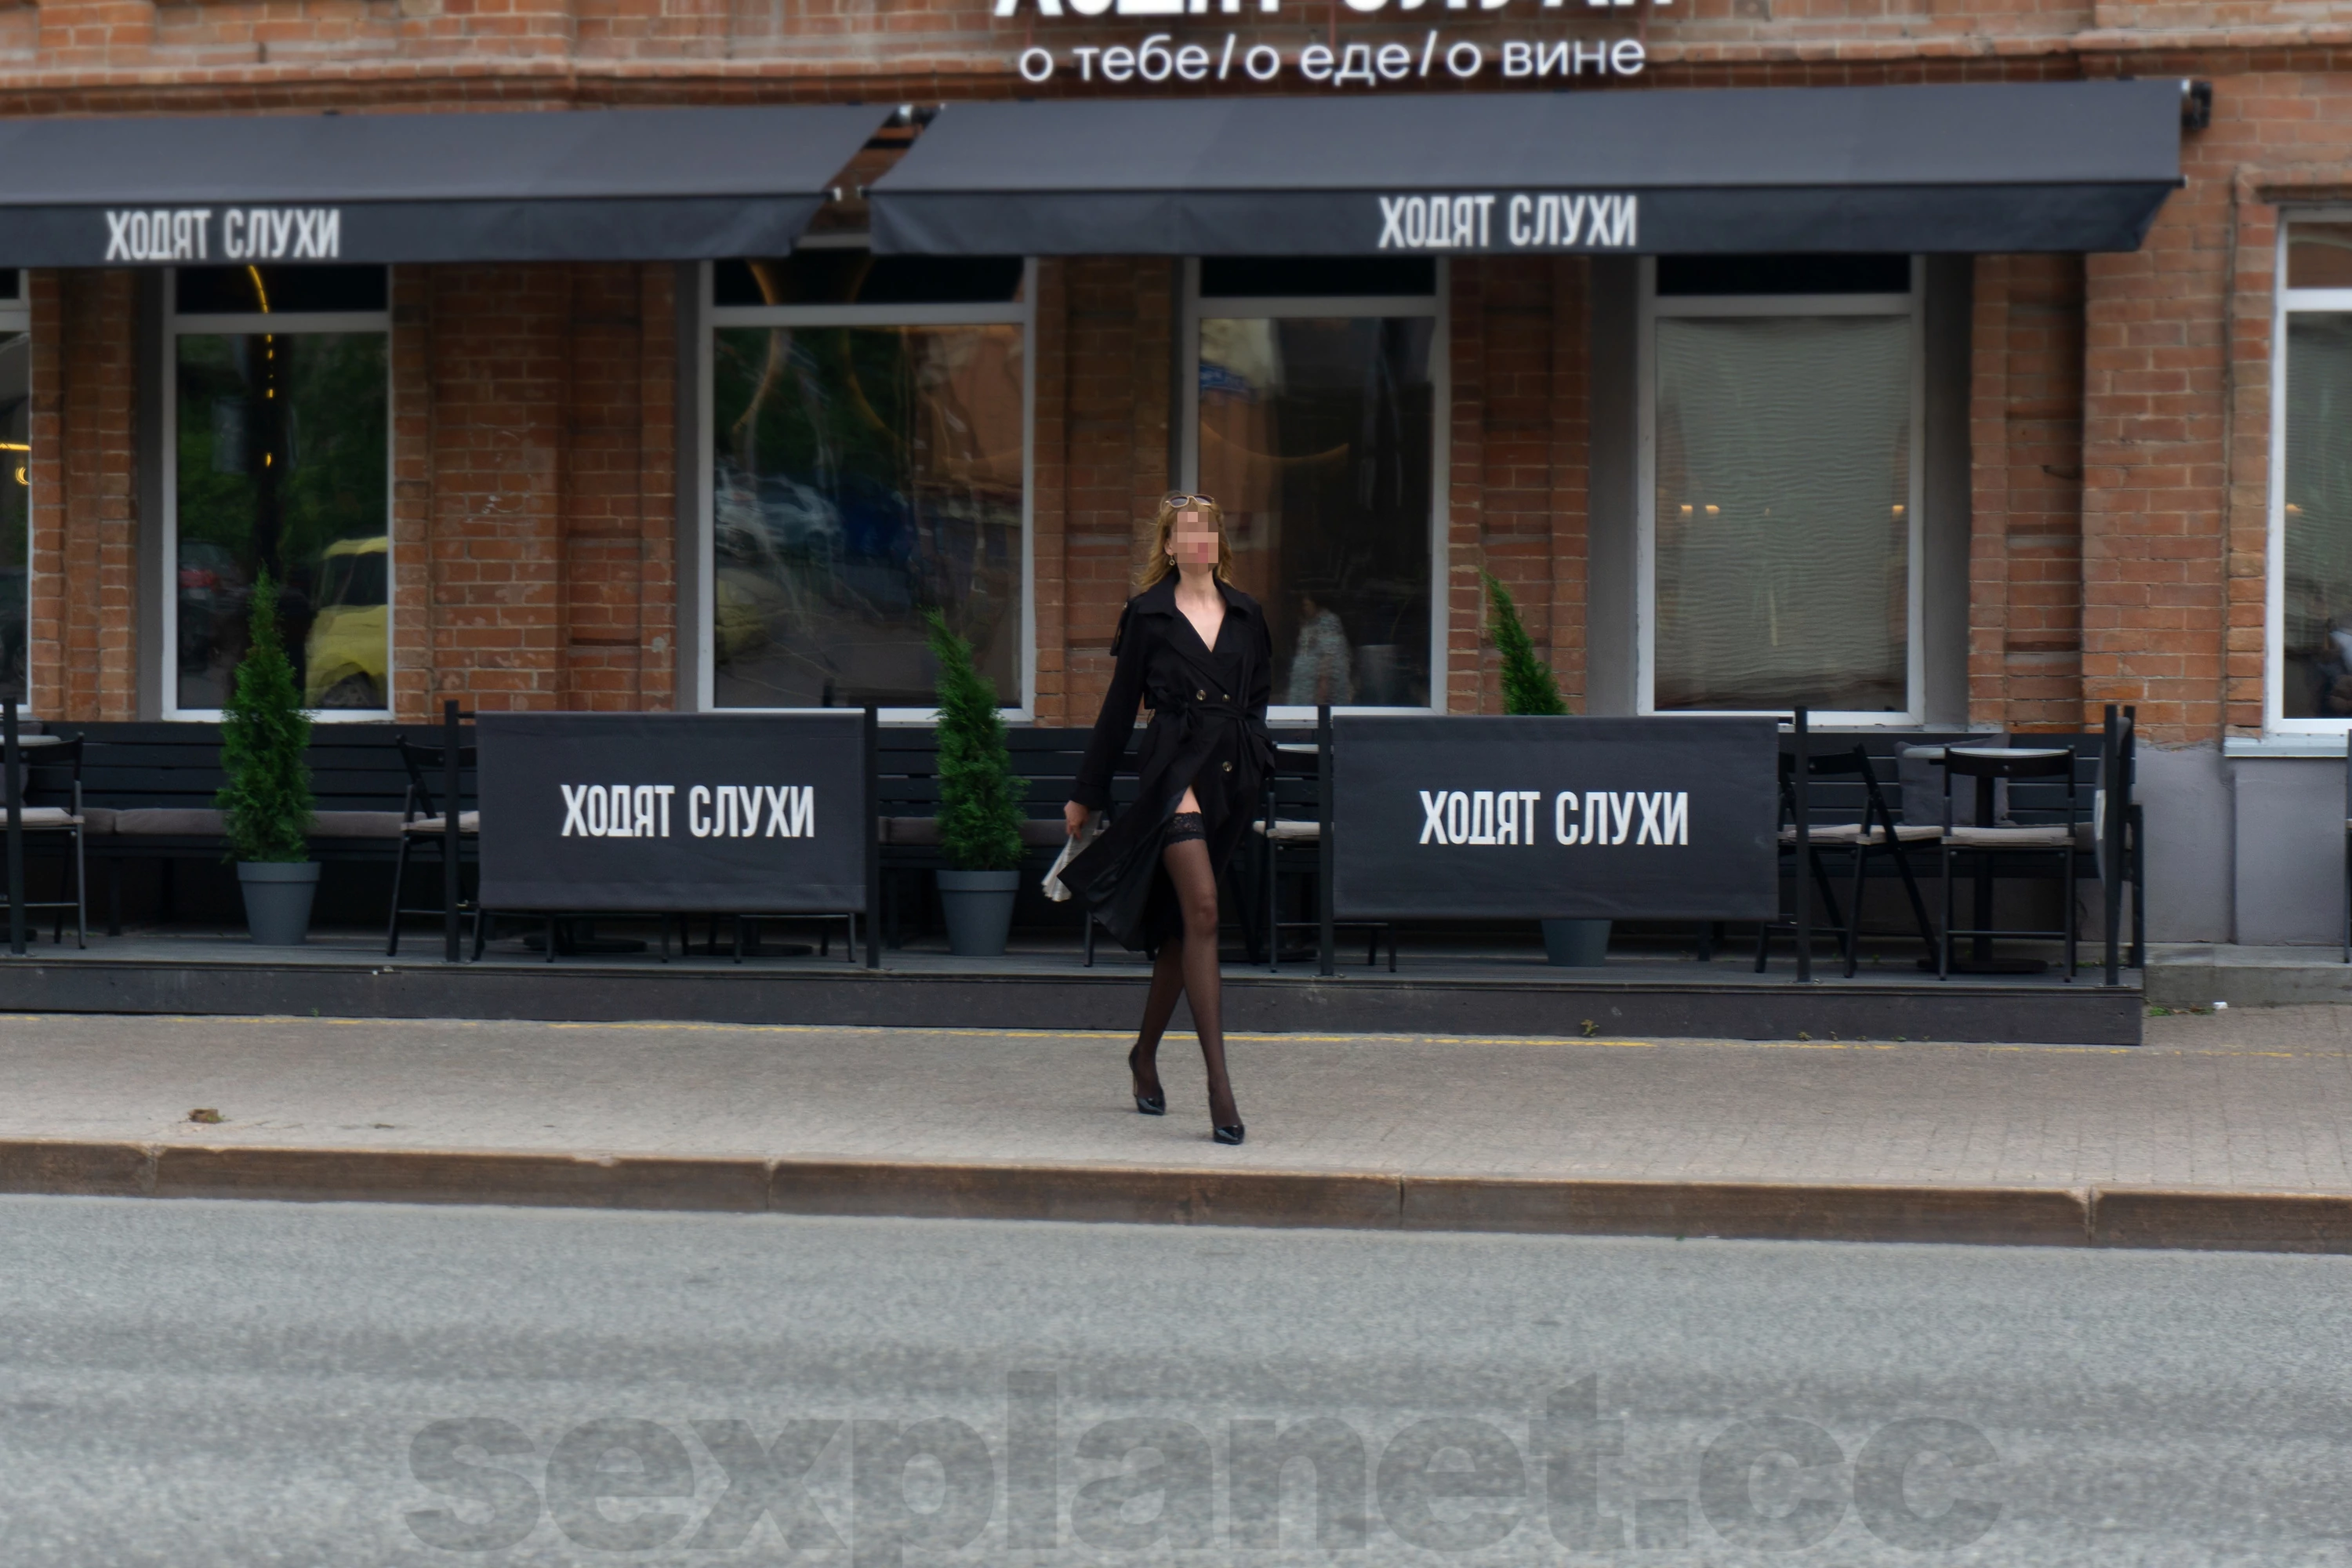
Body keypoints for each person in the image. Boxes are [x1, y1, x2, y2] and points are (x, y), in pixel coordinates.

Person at [1061, 494, 1275, 1145]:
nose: (1198, 540)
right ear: (1171, 546)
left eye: (1207, 529)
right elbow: (1118, 707)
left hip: (1231, 776)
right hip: (1173, 770)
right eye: (1186, 531)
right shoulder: (1148, 615)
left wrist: (1255, 758)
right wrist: (1087, 792)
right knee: (1204, 907)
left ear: (1218, 542)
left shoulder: (1248, 614)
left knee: (1185, 934)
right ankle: (1220, 1087)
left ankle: (1143, 1054)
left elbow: (1259, 701)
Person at [1285, 593, 1355, 708]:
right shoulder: (1310, 622)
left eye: (1306, 605)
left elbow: (1329, 655)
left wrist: (1323, 688)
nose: (1304, 608)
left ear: (1316, 604)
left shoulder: (1328, 622)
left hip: (1318, 689)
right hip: (1305, 687)